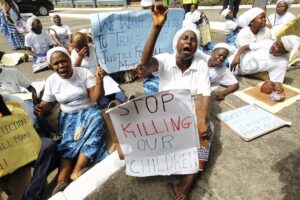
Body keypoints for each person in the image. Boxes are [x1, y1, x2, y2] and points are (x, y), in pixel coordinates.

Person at [141, 4, 212, 199]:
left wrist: (203, 121)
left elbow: (206, 94)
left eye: (193, 40)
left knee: (207, 137)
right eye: (185, 38)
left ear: (196, 47)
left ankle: (185, 184)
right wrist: (156, 27)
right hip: (167, 116)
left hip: (191, 114)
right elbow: (146, 63)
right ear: (176, 43)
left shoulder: (201, 65)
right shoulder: (165, 60)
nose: (189, 42)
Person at [34, 47, 108, 194]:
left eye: (64, 61)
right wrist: (40, 108)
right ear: (51, 66)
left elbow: (95, 98)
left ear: (70, 60)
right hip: (68, 116)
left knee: (96, 119)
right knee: (67, 144)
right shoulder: (51, 81)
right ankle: (61, 182)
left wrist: (100, 80)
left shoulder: (83, 73)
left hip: (89, 111)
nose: (61, 65)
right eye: (56, 63)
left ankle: (77, 171)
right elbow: (47, 104)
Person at [0, 94, 59, 200]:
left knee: (48, 146)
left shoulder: (15, 102)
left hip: (21, 150)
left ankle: (32, 195)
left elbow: (29, 129)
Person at [230, 35, 300, 101]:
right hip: (231, 58)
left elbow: (276, 81)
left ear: (284, 52)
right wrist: (237, 57)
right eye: (276, 42)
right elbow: (245, 47)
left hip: (236, 71)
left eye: (278, 47)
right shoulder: (267, 43)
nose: (273, 46)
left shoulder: (282, 62)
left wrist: (279, 92)